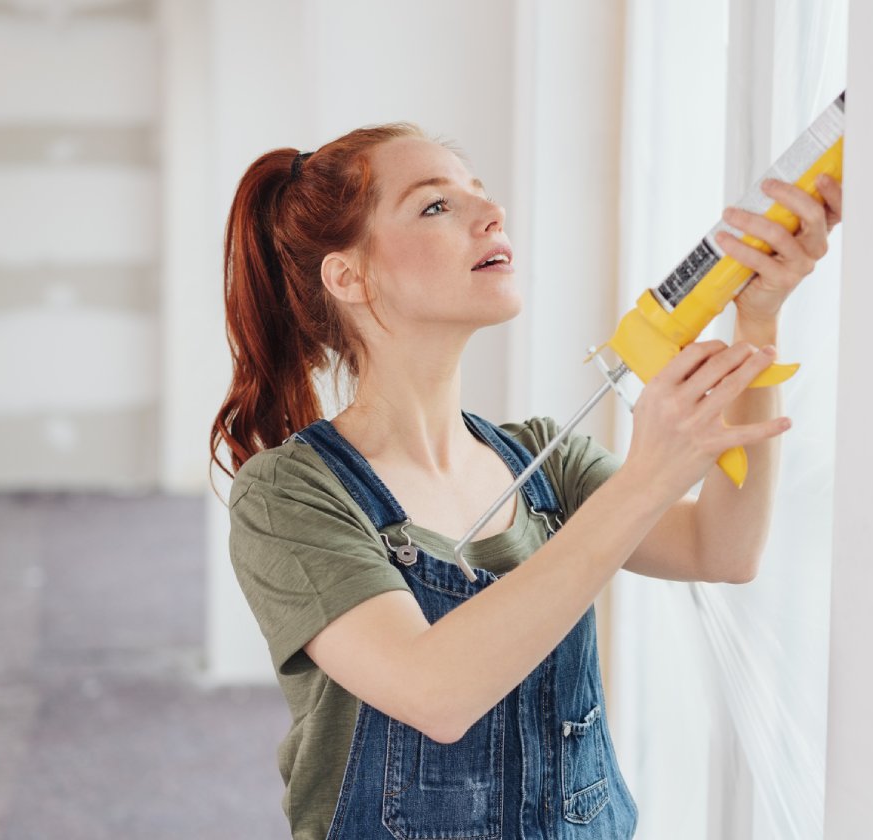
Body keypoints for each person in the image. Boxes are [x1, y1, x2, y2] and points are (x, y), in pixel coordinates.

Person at [211, 122, 841, 840]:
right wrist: (645, 478)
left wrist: (757, 319)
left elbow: (721, 549)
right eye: (434, 206)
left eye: (479, 193)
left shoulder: (543, 458)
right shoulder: (289, 495)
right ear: (348, 276)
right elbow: (436, 691)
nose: (491, 214)